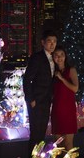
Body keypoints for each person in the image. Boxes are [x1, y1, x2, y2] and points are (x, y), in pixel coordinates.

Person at [23, 29, 58, 157]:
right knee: (35, 134)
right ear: (43, 42)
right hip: (36, 101)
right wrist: (30, 99)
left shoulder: (55, 58)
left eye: (54, 42)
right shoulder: (37, 57)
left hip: (47, 100)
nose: (52, 44)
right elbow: (27, 79)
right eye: (49, 41)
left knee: (41, 133)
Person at [51, 45, 79, 152]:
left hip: (68, 109)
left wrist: (62, 78)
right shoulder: (52, 72)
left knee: (68, 143)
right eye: (56, 55)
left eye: (61, 55)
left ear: (65, 56)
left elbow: (75, 88)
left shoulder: (71, 70)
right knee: (58, 144)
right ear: (53, 57)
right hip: (56, 109)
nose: (59, 57)